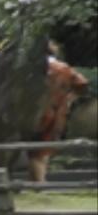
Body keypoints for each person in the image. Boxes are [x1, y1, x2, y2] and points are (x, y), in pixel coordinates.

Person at [29, 46, 91, 183]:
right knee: (41, 151)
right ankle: (38, 183)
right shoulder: (63, 68)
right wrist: (70, 98)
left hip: (34, 113)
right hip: (57, 113)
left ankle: (39, 184)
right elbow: (83, 84)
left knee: (35, 152)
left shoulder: (32, 68)